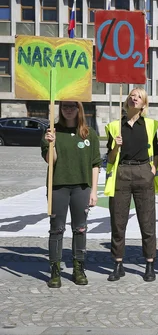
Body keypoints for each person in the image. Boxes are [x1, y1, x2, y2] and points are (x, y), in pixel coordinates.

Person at [105, 87, 158, 282]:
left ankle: (149, 264)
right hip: (121, 172)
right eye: (132, 95)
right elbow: (110, 157)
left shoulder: (149, 125)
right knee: (118, 221)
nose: (134, 98)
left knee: (147, 222)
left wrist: (153, 169)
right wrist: (116, 146)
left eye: (139, 96)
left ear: (144, 104)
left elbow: (156, 152)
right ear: (127, 101)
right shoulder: (115, 126)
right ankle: (118, 264)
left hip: (143, 173)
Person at [42, 102, 101, 288]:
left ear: (79, 109)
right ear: (60, 109)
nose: (68, 109)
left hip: (81, 187)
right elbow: (50, 161)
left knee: (80, 229)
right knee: (56, 229)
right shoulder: (52, 132)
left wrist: (94, 191)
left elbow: (95, 164)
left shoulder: (89, 133)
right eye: (65, 106)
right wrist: (51, 144)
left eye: (72, 106)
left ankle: (78, 268)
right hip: (58, 187)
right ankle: (55, 270)